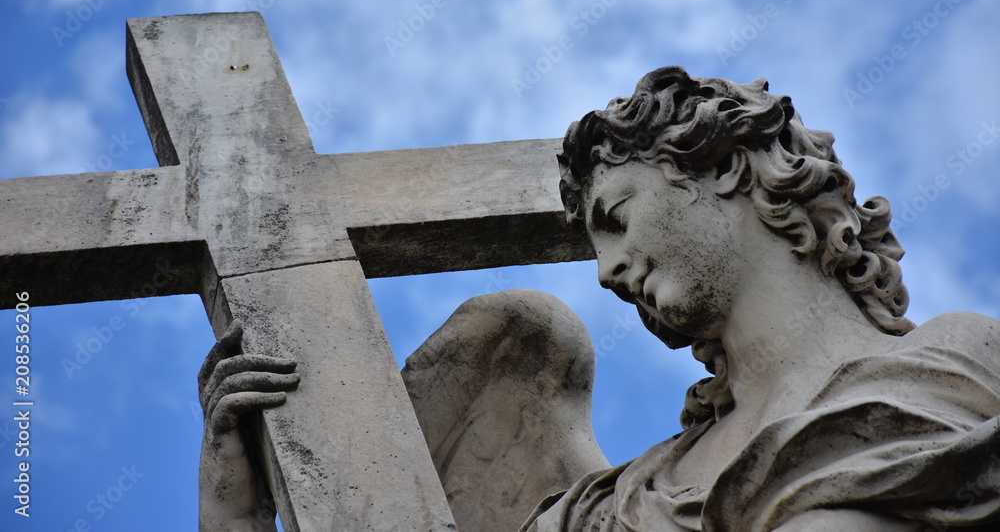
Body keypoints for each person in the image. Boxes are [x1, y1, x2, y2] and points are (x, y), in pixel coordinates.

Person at [199, 66, 1000, 531]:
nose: (608, 272)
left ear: (723, 168)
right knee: (519, 329)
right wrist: (236, 512)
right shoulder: (607, 509)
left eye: (616, 219)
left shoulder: (957, 365)